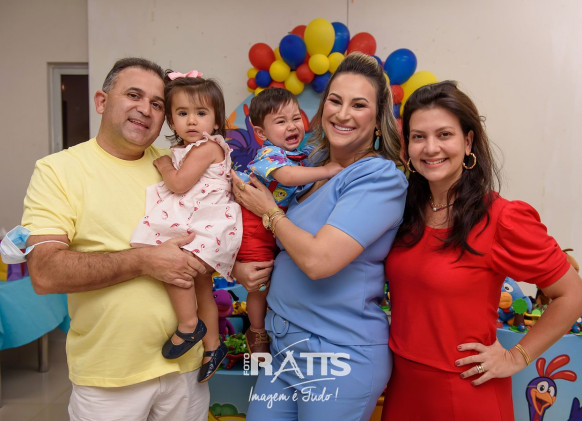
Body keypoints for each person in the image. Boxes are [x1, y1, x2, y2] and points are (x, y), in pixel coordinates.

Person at [21, 58, 211, 421]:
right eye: (133, 95)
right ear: (101, 101)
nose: (146, 109)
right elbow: (44, 272)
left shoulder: (176, 165)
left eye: (157, 103)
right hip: (109, 377)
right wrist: (143, 261)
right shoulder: (58, 171)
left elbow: (217, 226)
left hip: (185, 368)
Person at [381, 81, 582, 420]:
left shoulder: (502, 218)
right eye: (418, 136)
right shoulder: (403, 212)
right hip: (403, 389)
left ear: (468, 141)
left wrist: (516, 356)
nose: (431, 147)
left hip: (464, 394)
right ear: (408, 147)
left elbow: (572, 294)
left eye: (444, 134)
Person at [230, 52, 408, 421]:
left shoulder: (379, 176)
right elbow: (278, 246)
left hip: (337, 351)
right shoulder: (308, 165)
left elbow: (318, 260)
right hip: (283, 347)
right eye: (335, 101)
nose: (343, 114)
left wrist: (270, 212)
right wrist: (239, 269)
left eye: (359, 105)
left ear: (378, 118)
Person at [130, 70, 242, 382]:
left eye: (201, 113)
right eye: (182, 113)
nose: (192, 121)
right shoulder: (191, 148)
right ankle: (213, 346)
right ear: (171, 120)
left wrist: (165, 165)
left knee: (174, 268)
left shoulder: (207, 147)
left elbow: (179, 184)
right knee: (202, 288)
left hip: (208, 224)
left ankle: (189, 325)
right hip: (200, 221)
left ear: (216, 121)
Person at [235, 87, 342, 356]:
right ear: (261, 133)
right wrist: (327, 170)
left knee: (273, 279)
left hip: (275, 226)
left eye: (296, 118)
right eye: (281, 122)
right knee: (260, 283)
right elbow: (286, 177)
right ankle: (256, 329)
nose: (292, 126)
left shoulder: (300, 154)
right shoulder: (269, 155)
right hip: (256, 228)